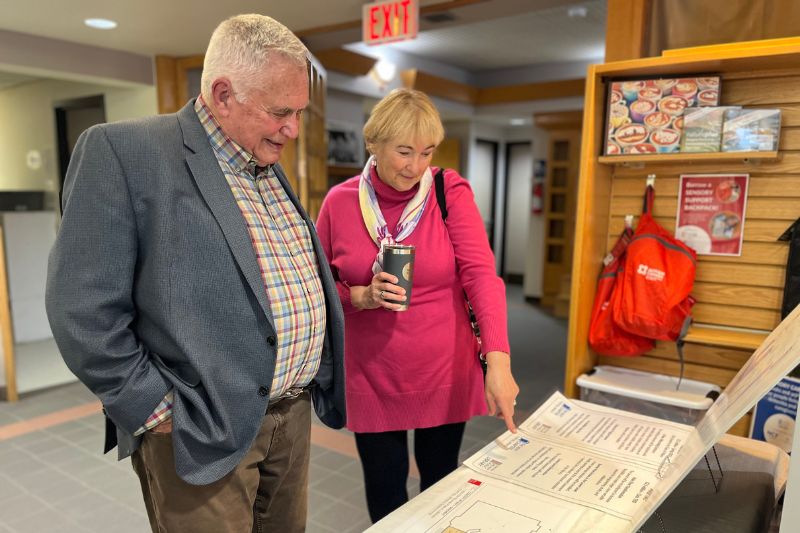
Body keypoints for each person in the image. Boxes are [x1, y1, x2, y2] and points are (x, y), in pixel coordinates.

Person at [45, 14, 344, 533]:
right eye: (281, 112)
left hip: (290, 419)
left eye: (298, 112)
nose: (293, 129)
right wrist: (154, 410)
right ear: (224, 94)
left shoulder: (262, 159)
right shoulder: (123, 151)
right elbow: (80, 308)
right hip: (198, 427)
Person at [315, 88, 519, 523]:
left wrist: (498, 362)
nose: (416, 167)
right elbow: (315, 285)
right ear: (373, 144)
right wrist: (361, 296)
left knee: (440, 487)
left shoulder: (449, 192)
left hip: (443, 367)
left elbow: (481, 276)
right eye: (404, 152)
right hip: (371, 373)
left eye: (427, 152)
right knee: (385, 492)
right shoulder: (340, 202)